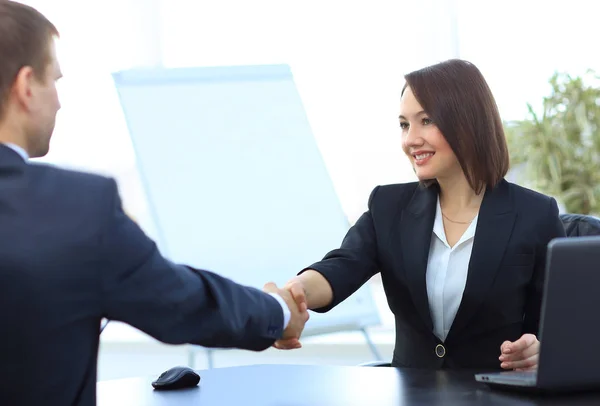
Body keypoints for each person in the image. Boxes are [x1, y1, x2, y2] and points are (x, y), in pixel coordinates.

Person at [0, 1, 308, 405]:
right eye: (53, 81)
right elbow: (181, 301)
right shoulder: (76, 209)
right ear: (25, 87)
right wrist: (278, 311)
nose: (59, 101)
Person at [272, 59, 566, 371]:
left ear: (467, 122)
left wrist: (540, 350)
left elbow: (564, 327)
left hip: (496, 397)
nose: (410, 139)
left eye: (426, 121)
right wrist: (296, 293)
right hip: (410, 394)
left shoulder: (535, 214)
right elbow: (341, 267)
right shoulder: (388, 206)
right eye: (404, 124)